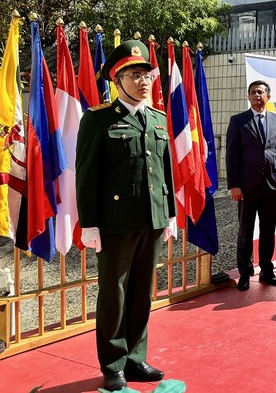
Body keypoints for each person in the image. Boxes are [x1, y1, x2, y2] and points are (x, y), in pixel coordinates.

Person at [76, 40, 176, 391]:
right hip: (115, 221)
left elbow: (166, 172)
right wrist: (89, 223)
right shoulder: (98, 119)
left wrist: (172, 215)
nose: (144, 81)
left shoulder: (157, 118)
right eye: (135, 75)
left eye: (147, 74)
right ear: (116, 82)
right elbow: (86, 175)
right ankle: (113, 363)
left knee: (141, 292)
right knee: (114, 294)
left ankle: (136, 358)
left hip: (153, 218)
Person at [226, 80, 276, 290]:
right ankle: (245, 273)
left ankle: (266, 270)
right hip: (246, 186)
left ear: (267, 97)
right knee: (245, 231)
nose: (256, 95)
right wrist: (234, 184)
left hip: (272, 185)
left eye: (260, 92)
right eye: (252, 92)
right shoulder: (238, 121)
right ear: (248, 97)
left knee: (267, 230)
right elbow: (231, 155)